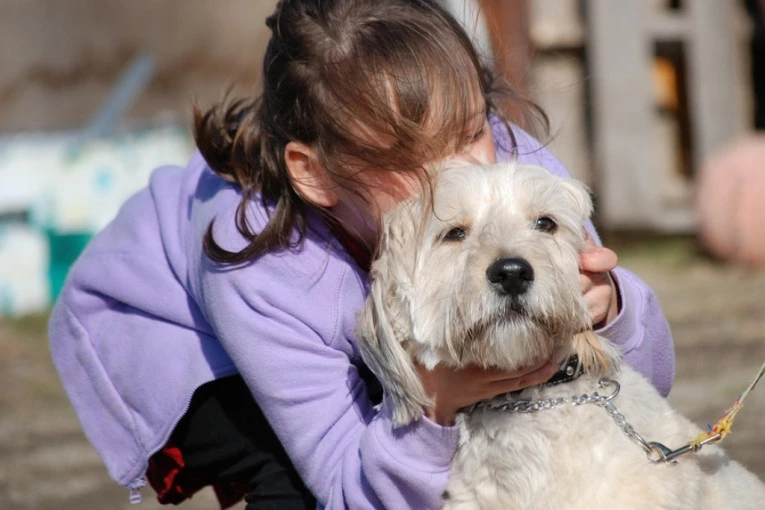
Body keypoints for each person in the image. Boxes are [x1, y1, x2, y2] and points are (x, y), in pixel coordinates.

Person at [48, 1, 675, 509]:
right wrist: (434, 407)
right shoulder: (261, 268)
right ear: (315, 174)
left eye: (470, 131)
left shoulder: (515, 170)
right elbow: (347, 488)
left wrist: (610, 310)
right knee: (293, 478)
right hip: (174, 334)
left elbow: (641, 389)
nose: (461, 174)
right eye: (411, 158)